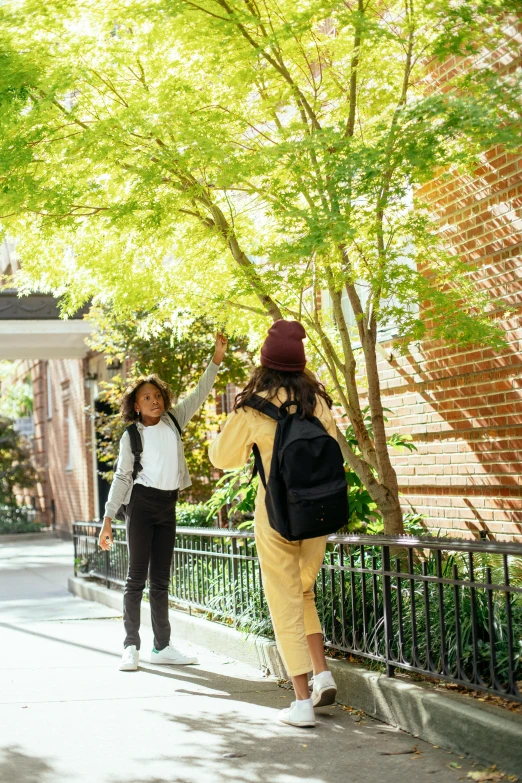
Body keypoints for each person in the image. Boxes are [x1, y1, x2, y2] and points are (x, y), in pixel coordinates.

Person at [208, 320, 338, 728]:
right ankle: (322, 673)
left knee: (283, 600)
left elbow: (223, 459)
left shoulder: (253, 406)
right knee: (304, 591)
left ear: (265, 362)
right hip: (317, 512)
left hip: (276, 515)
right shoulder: (317, 401)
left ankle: (302, 703)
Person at [99, 332, 228, 672]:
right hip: (140, 506)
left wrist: (216, 358)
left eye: (157, 395)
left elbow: (200, 393)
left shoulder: (173, 420)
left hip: (167, 506)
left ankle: (162, 646)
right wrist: (109, 518)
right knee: (135, 579)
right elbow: (122, 477)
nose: (154, 401)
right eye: (146, 397)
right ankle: (130, 646)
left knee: (161, 581)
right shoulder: (132, 436)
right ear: (136, 405)